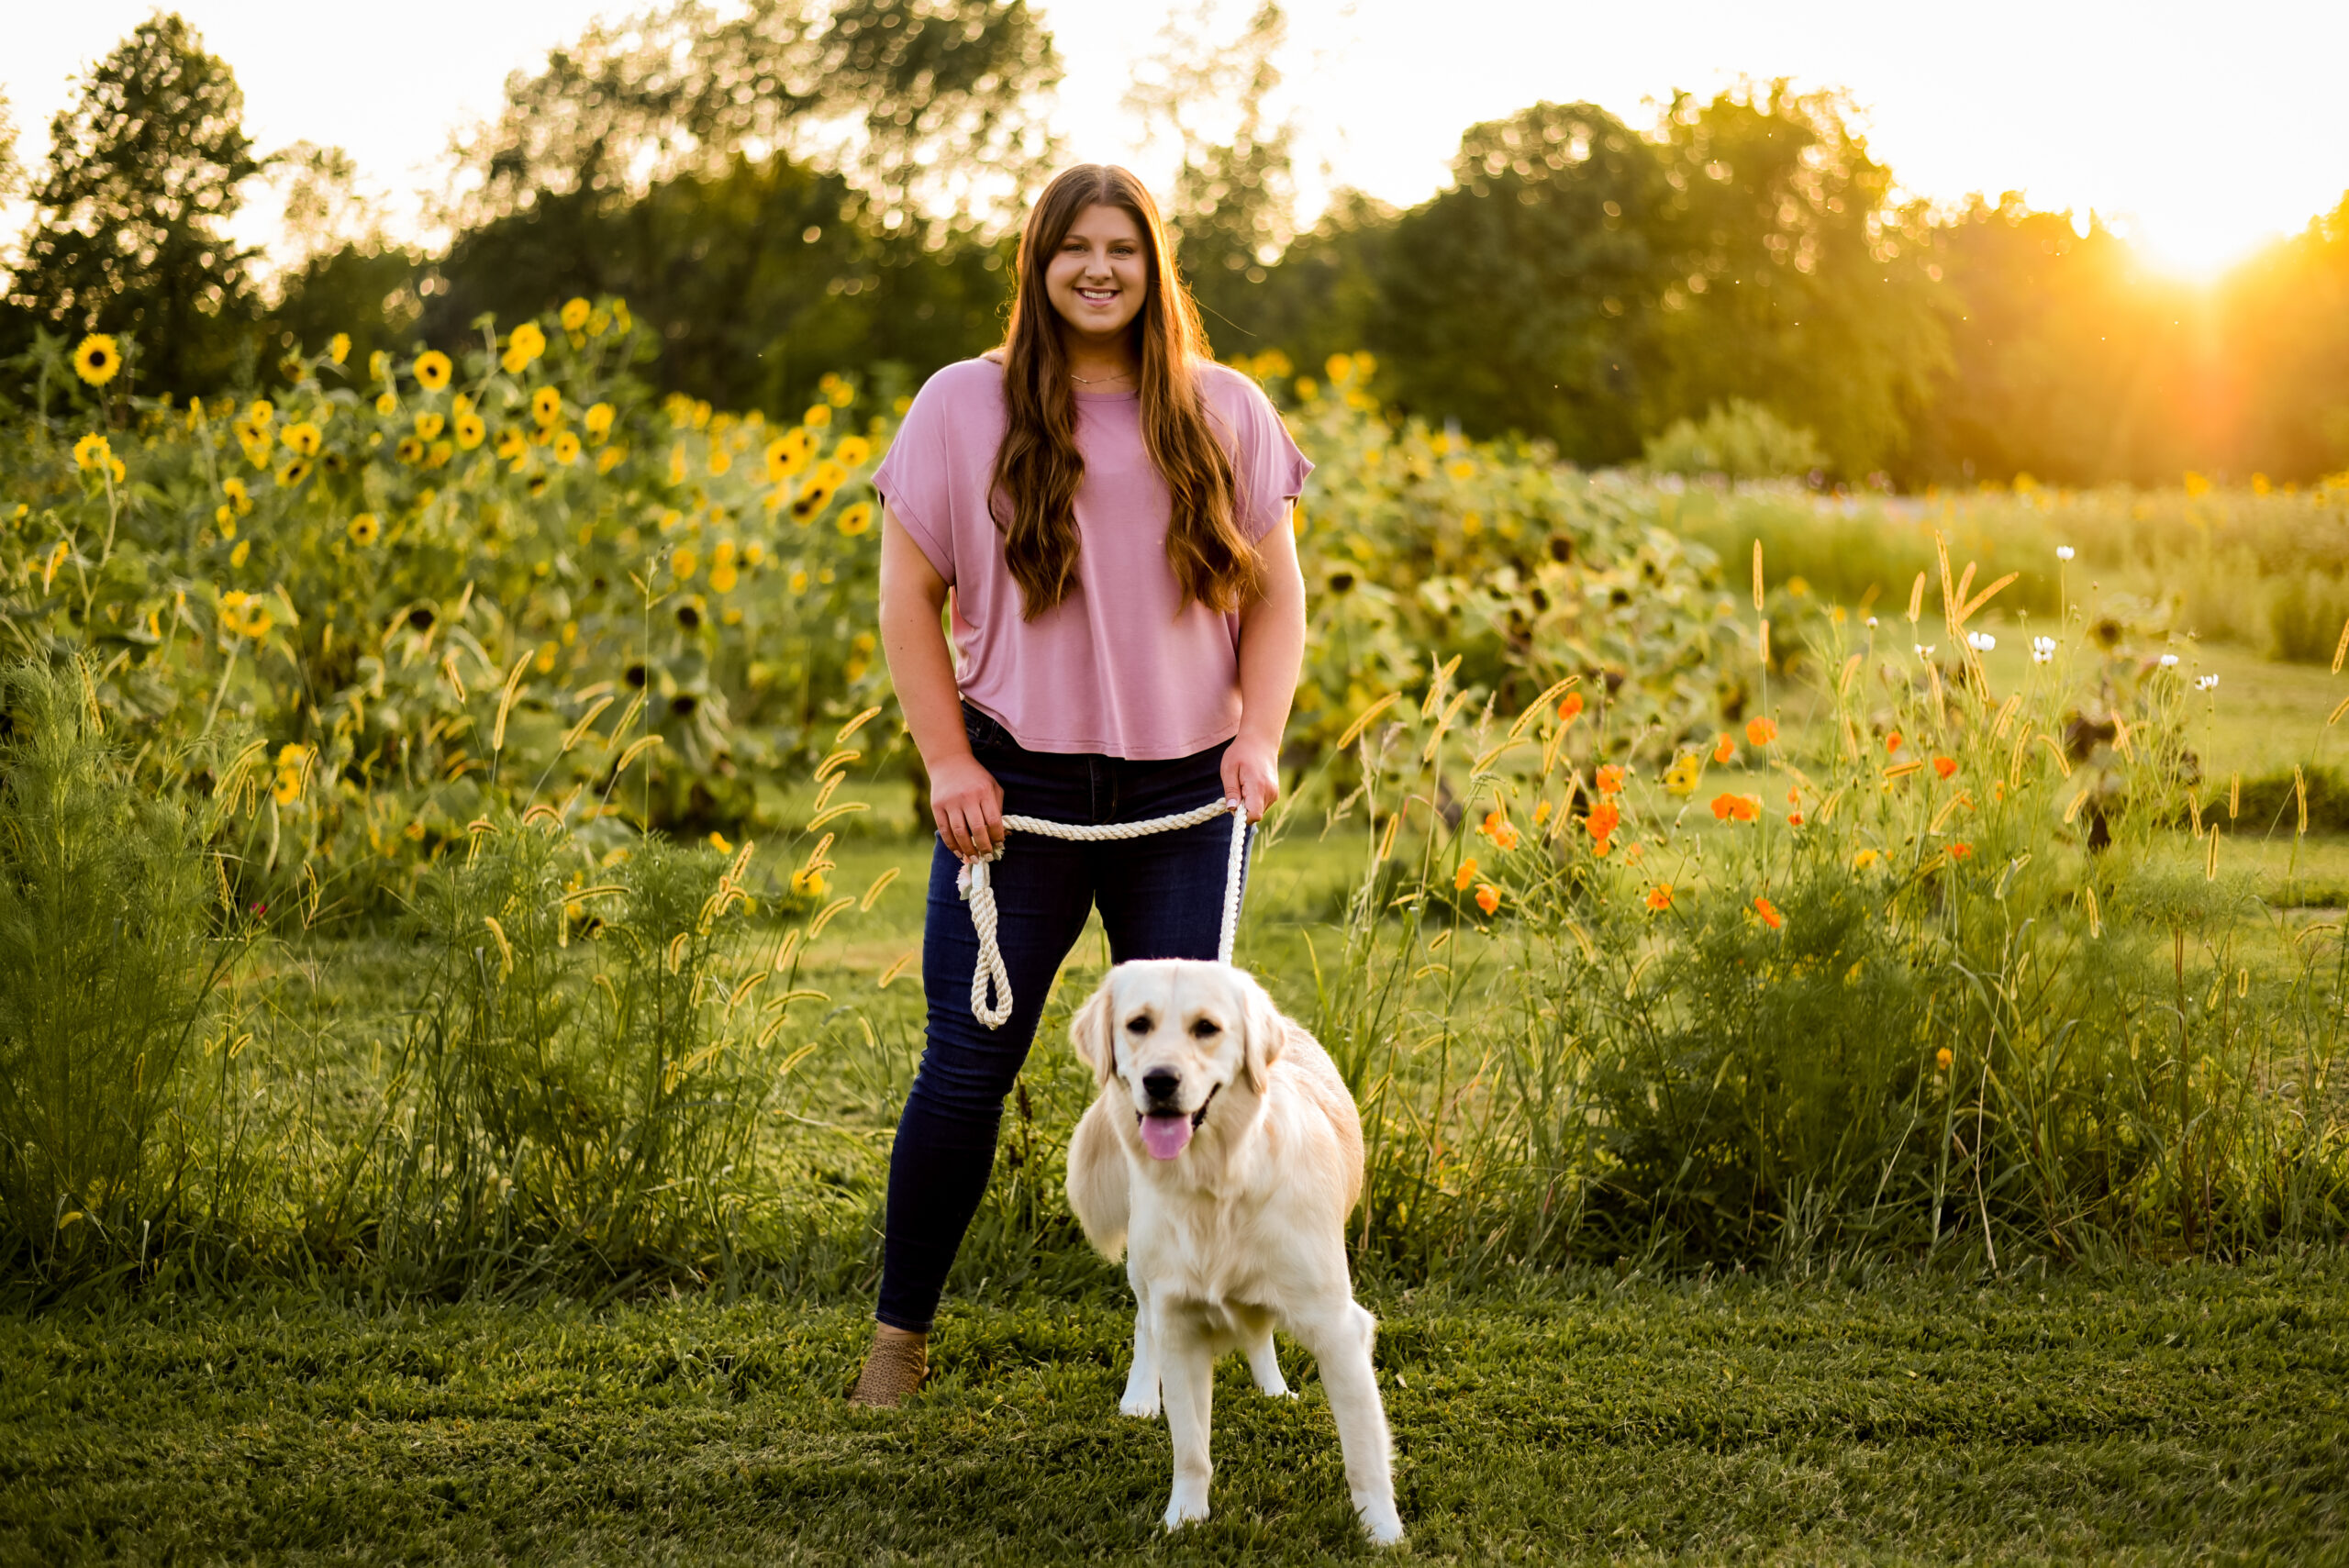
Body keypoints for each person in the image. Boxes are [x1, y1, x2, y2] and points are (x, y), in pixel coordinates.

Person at [851, 164, 1311, 1406]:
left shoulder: (1223, 409)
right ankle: (899, 1338)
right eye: (1075, 249)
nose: (1100, 269)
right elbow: (908, 600)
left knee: (1189, 1084)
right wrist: (949, 760)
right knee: (966, 1067)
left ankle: (1178, 1333)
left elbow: (1278, 604)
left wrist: (1257, 737)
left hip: (1182, 808)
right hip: (1019, 804)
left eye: (1124, 249)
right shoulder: (960, 407)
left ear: (1156, 268)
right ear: (1038, 265)